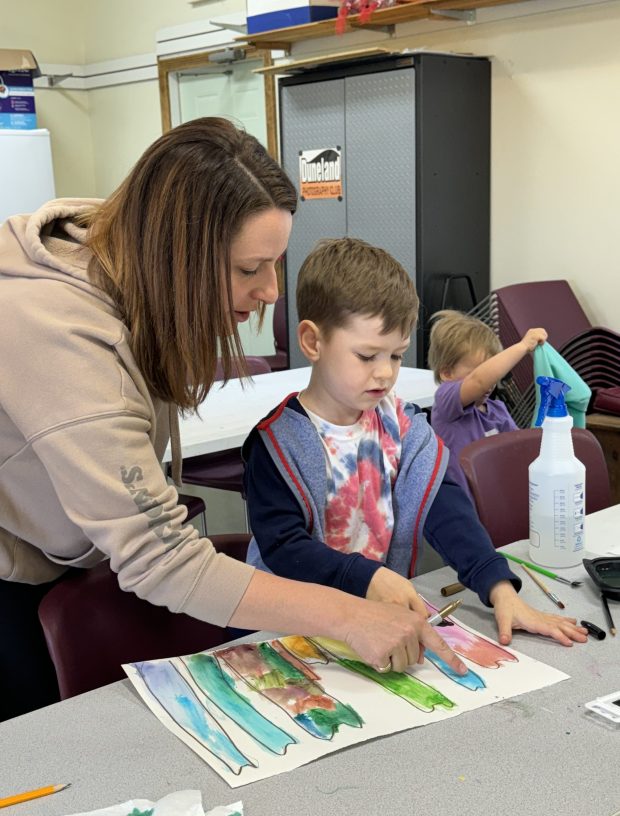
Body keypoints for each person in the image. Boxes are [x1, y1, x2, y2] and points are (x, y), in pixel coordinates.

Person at [0, 118, 465, 721]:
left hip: (80, 555)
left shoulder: (127, 252)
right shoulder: (57, 333)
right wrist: (349, 613)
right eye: (250, 269)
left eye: (276, 263)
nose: (272, 291)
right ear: (175, 256)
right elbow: (161, 557)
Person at [243, 238, 587, 651]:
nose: (385, 373)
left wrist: (499, 588)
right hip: (286, 632)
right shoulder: (277, 444)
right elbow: (284, 548)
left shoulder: (403, 426)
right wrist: (368, 577)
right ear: (314, 342)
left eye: (397, 355)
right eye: (367, 355)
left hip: (371, 627)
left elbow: (447, 509)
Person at [427, 309, 547, 497]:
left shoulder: (497, 410)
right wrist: (523, 346)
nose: (491, 380)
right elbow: (479, 381)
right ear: (447, 373)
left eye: (494, 370)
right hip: (464, 509)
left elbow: (520, 448)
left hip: (496, 500)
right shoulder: (446, 402)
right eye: (484, 370)